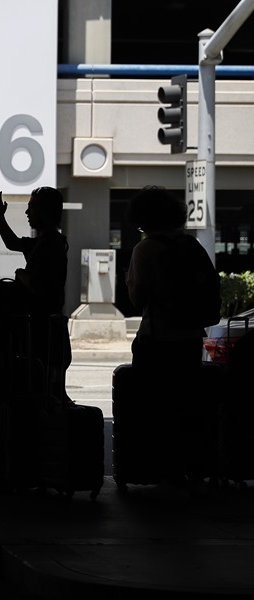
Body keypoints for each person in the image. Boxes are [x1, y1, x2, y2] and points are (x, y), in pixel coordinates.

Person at [126, 185, 218, 489]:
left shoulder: (146, 249)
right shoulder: (192, 246)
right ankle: (187, 469)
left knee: (154, 409)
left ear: (142, 217)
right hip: (191, 340)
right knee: (187, 407)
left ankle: (157, 470)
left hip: (157, 341)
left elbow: (139, 299)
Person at [0, 186, 71, 395]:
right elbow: (13, 242)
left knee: (40, 393)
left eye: (32, 207)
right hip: (47, 331)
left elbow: (43, 289)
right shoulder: (47, 241)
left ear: (46, 211)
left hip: (42, 333)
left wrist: (22, 276)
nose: (27, 213)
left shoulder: (49, 244)